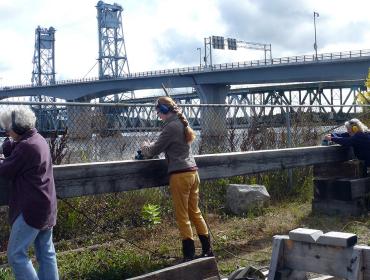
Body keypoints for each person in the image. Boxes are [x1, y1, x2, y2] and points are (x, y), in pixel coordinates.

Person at [141, 96, 213, 261]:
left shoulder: (170, 127)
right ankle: (207, 250)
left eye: (159, 112)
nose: (158, 115)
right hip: (193, 173)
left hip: (180, 175)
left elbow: (153, 151)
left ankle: (189, 255)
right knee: (195, 212)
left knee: (182, 215)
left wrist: (144, 146)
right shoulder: (181, 123)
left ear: (165, 111)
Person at [0, 106, 59, 280]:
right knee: (46, 253)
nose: (6, 132)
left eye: (7, 128)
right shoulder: (38, 139)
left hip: (30, 209)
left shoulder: (26, 146)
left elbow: (5, 170)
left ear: (17, 127)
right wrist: (9, 144)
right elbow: (14, 153)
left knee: (16, 255)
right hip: (45, 205)